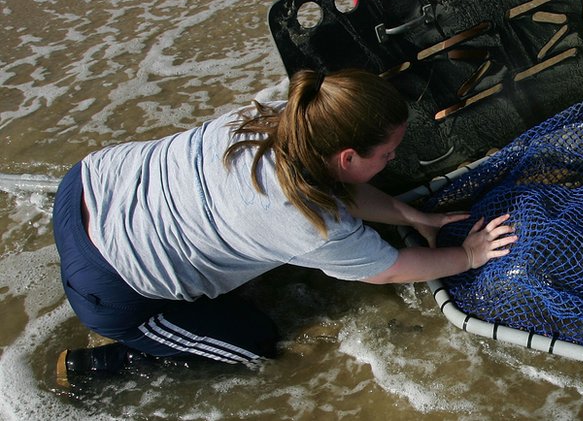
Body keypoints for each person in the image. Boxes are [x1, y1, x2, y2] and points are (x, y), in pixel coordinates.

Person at [53, 68, 517, 384]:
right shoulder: (305, 219)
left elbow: (339, 187)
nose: (394, 158)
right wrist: (470, 255)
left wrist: (419, 217)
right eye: (388, 153)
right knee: (257, 347)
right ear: (348, 157)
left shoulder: (294, 113)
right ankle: (102, 362)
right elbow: (388, 268)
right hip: (112, 286)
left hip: (89, 183)